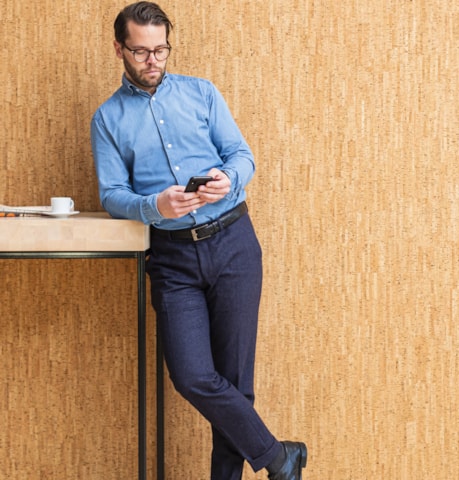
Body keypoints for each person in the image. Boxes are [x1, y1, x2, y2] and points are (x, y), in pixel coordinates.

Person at [90, 3, 307, 479]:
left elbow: (241, 155)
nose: (153, 60)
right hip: (172, 259)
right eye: (141, 51)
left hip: (233, 242)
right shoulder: (107, 118)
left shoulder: (201, 93)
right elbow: (111, 194)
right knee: (192, 376)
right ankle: (277, 456)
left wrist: (227, 178)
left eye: (161, 49)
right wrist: (154, 207)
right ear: (119, 49)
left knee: (234, 384)